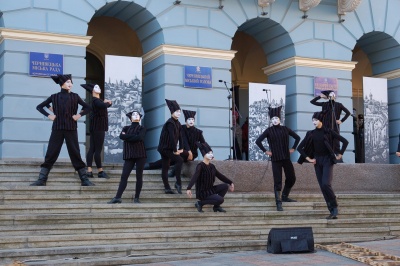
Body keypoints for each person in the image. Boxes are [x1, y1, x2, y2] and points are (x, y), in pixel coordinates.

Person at [31, 74, 94, 186]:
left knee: (75, 153)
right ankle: (42, 179)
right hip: (57, 128)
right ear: (61, 84)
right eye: (68, 82)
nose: (70, 84)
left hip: (71, 128)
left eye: (71, 82)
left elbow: (88, 107)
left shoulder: (75, 96)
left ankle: (84, 180)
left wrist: (79, 115)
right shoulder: (54, 97)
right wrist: (49, 115)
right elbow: (39, 107)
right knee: (51, 152)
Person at [297, 111, 349, 219]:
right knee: (322, 187)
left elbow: (345, 141)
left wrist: (340, 154)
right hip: (317, 161)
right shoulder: (310, 133)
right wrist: (309, 159)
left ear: (321, 120)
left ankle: (334, 205)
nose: (314, 122)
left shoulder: (329, 131)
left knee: (326, 184)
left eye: (316, 120)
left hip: (327, 160)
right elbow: (299, 148)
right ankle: (331, 210)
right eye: (313, 120)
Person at [255, 106, 301, 211]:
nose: (275, 120)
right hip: (275, 159)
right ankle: (278, 202)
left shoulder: (285, 129)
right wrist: (266, 151)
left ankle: (284, 196)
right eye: (273, 119)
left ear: (280, 119)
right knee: (278, 181)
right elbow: (258, 141)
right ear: (270, 120)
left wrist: (293, 148)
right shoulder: (269, 130)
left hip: (286, 158)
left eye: (276, 118)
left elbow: (297, 137)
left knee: (292, 178)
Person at [108, 110, 146, 204]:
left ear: (140, 117)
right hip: (129, 155)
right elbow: (121, 136)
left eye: (137, 114)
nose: (136, 115)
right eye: (134, 114)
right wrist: (133, 137)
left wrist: (127, 137)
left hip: (140, 154)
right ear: (130, 118)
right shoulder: (125, 127)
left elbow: (140, 138)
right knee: (124, 176)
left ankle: (136, 198)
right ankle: (117, 197)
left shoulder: (142, 128)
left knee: (139, 176)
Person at [186, 142, 235, 213]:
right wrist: (189, 188)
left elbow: (220, 176)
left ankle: (216, 207)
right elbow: (195, 176)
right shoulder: (200, 166)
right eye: (208, 153)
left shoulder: (212, 166)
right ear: (204, 154)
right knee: (220, 199)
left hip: (210, 189)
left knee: (225, 186)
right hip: (203, 192)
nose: (211, 155)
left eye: (211, 153)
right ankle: (200, 203)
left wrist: (230, 182)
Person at [81, 83, 112, 179]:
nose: (99, 88)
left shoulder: (97, 101)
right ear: (93, 91)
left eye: (99, 87)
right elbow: (103, 105)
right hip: (99, 128)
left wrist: (108, 103)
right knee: (97, 150)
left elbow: (104, 105)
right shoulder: (96, 101)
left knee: (92, 149)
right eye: (96, 87)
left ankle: (89, 170)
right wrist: (108, 103)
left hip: (95, 128)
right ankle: (100, 171)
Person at [310, 90, 351, 157]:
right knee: (325, 138)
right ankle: (326, 153)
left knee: (336, 139)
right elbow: (312, 102)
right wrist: (320, 96)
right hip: (325, 124)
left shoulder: (339, 105)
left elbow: (348, 113)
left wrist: (341, 121)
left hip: (334, 125)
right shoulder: (324, 104)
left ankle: (337, 153)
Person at [167, 109, 206, 176]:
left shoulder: (198, 132)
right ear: (186, 121)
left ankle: (173, 173)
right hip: (183, 152)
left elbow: (203, 144)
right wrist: (189, 151)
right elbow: (184, 140)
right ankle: (148, 166)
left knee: (180, 156)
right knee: (167, 160)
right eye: (189, 119)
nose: (191, 121)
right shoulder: (182, 128)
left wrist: (207, 154)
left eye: (193, 120)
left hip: (191, 154)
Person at [157, 99, 184, 194]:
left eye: (179, 112)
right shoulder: (170, 123)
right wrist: (175, 150)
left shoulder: (178, 123)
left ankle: (167, 188)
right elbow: (172, 138)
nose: (178, 113)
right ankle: (178, 182)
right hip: (164, 148)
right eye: (176, 112)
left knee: (165, 166)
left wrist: (181, 148)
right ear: (172, 112)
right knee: (179, 160)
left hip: (167, 148)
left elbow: (180, 136)